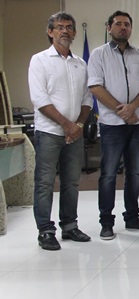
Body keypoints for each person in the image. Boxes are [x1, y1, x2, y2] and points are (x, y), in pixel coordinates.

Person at [88, 10, 139, 240]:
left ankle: (132, 217)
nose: (123, 28)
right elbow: (96, 87)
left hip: (137, 124)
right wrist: (123, 110)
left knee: (134, 173)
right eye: (118, 24)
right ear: (109, 28)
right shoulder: (98, 55)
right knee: (108, 174)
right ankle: (106, 221)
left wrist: (133, 107)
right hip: (111, 125)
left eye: (127, 24)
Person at [28, 12, 93, 250]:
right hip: (48, 133)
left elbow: (87, 98)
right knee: (44, 182)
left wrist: (78, 125)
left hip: (74, 133)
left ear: (74, 33)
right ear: (50, 32)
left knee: (71, 182)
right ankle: (45, 231)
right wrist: (67, 125)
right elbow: (39, 98)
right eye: (59, 27)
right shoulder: (40, 60)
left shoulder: (80, 63)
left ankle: (69, 226)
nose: (64, 31)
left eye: (68, 27)